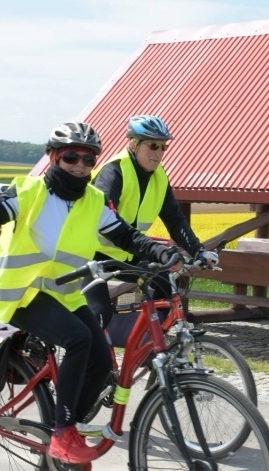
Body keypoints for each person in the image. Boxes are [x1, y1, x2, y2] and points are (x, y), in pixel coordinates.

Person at [0, 121, 178, 468]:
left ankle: (70, 422)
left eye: (88, 160)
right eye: (71, 157)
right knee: (77, 339)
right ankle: (62, 434)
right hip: (18, 292)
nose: (80, 166)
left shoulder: (93, 201)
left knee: (102, 362)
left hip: (63, 293)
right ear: (54, 157)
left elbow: (126, 236)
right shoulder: (30, 193)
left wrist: (161, 252)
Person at [87, 114, 218, 329]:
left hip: (127, 253)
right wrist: (154, 250)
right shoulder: (113, 171)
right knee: (100, 315)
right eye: (153, 146)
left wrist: (198, 250)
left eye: (163, 147)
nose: (159, 153)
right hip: (92, 255)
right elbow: (108, 224)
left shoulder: (159, 176)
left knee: (165, 283)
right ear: (133, 144)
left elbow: (174, 219)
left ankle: (151, 344)